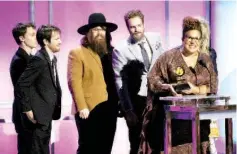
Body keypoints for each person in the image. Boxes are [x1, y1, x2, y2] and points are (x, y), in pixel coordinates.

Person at [139, 16, 218, 154]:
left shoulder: (205, 59)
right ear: (183, 38)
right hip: (175, 123)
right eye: (189, 37)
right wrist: (168, 88)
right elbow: (152, 79)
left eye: (196, 38)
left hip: (200, 121)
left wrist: (196, 89)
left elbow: (213, 86)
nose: (192, 41)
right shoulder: (169, 57)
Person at [112, 9, 164, 154]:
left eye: (139, 25)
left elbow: (162, 64)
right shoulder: (121, 49)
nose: (136, 29)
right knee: (137, 142)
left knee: (157, 140)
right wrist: (128, 110)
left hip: (158, 97)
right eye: (132, 27)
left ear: (143, 24)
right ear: (128, 28)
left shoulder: (156, 38)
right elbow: (119, 81)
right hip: (137, 100)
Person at [67, 13, 118, 154]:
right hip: (89, 109)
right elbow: (74, 82)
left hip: (110, 108)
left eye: (102, 28)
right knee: (88, 148)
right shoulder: (78, 53)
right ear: (88, 33)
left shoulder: (112, 53)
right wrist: (82, 106)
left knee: (106, 148)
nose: (99, 32)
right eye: (95, 29)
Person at [16, 25, 62, 154]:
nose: (60, 41)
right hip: (38, 117)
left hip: (46, 115)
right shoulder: (39, 59)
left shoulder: (51, 58)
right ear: (46, 41)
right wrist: (27, 109)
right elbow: (22, 84)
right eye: (57, 38)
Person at [10, 22, 37, 154]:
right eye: (32, 35)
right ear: (22, 38)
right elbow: (22, 90)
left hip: (31, 112)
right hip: (25, 114)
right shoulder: (19, 60)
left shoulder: (30, 58)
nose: (35, 38)